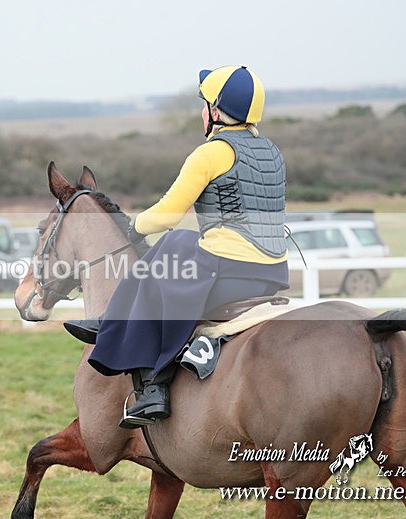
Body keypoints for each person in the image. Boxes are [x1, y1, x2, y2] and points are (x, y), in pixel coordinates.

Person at [64, 65, 290, 429]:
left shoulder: (211, 153)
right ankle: (112, 323)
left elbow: (167, 214)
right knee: (180, 243)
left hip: (229, 269)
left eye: (205, 104)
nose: (202, 112)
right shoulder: (271, 151)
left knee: (170, 247)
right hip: (273, 271)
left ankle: (154, 386)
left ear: (216, 111)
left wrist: (132, 227)